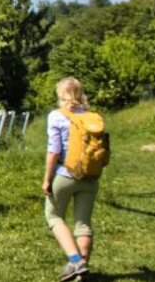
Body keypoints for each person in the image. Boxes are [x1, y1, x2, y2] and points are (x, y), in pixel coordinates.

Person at [43, 76, 100, 280]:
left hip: (64, 175)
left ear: (61, 95)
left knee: (53, 216)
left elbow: (54, 151)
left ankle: (76, 260)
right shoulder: (93, 117)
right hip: (90, 176)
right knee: (83, 223)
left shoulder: (56, 116)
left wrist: (47, 179)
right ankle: (81, 273)